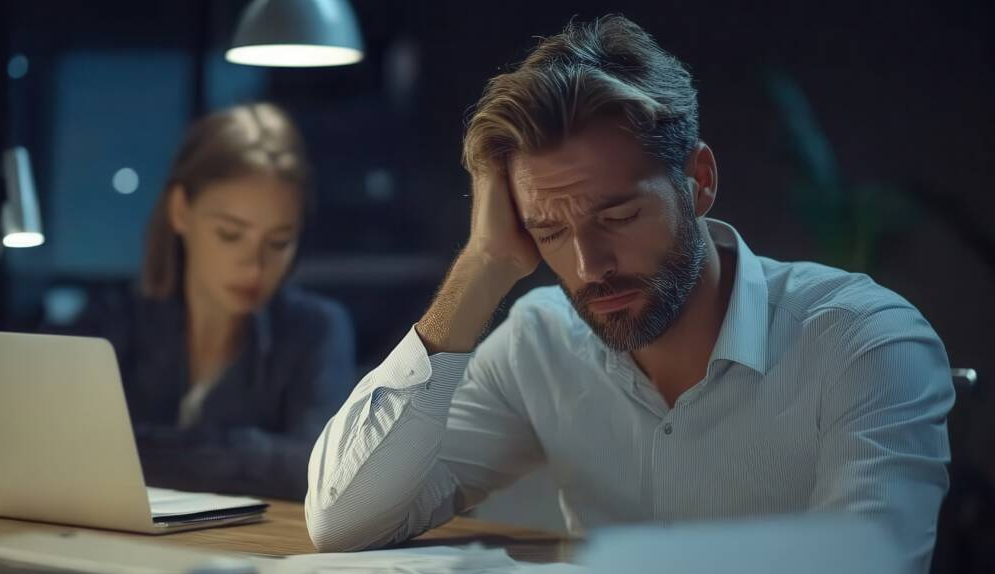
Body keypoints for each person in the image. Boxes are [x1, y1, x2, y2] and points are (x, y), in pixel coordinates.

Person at [305, 15, 953, 571]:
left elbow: (872, 561)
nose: (589, 266)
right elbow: (344, 522)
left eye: (617, 217)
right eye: (549, 230)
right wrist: (482, 266)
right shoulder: (541, 340)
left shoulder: (862, 340)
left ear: (697, 181)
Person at [50, 103, 355, 501]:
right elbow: (57, 447)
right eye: (230, 234)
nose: (255, 264)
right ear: (180, 211)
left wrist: (138, 447)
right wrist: (246, 451)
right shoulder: (111, 324)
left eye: (279, 242)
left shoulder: (316, 329)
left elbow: (321, 471)